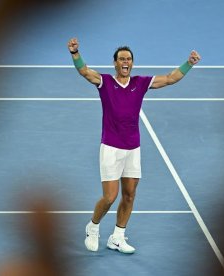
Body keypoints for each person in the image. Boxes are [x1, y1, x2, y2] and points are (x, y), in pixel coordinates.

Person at [67, 37, 201, 254]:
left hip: (133, 148)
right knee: (110, 197)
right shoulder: (105, 82)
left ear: (132, 63)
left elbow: (169, 78)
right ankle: (93, 226)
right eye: (121, 59)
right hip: (110, 148)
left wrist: (189, 63)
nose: (125, 62)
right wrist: (75, 53)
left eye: (129, 59)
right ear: (115, 63)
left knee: (129, 195)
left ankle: (117, 237)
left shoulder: (140, 83)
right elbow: (85, 72)